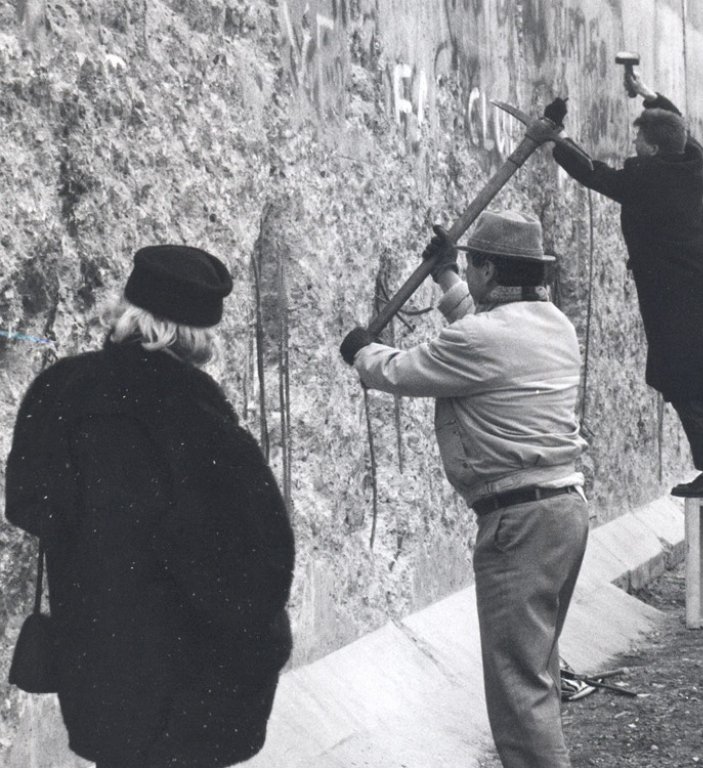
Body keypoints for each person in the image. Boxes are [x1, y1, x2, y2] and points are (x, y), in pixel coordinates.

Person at [5, 245, 295, 768]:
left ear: (129, 311)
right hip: (186, 688)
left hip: (98, 670)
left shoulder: (58, 388)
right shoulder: (200, 416)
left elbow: (28, 505)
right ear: (196, 335)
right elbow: (260, 556)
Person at [340, 209, 589, 768]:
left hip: (517, 523)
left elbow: (402, 371)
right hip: (563, 512)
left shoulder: (483, 339)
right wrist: (448, 277)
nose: (469, 275)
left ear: (489, 271)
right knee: (537, 673)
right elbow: (479, 331)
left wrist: (361, 350)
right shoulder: (554, 324)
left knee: (517, 688)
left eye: (473, 265)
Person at [551, 71, 703, 498]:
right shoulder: (688, 165)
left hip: (681, 305)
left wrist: (554, 139)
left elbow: (595, 174)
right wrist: (649, 96)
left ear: (653, 149)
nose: (632, 147)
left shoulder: (651, 180)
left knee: (688, 385)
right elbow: (681, 130)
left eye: (639, 142)